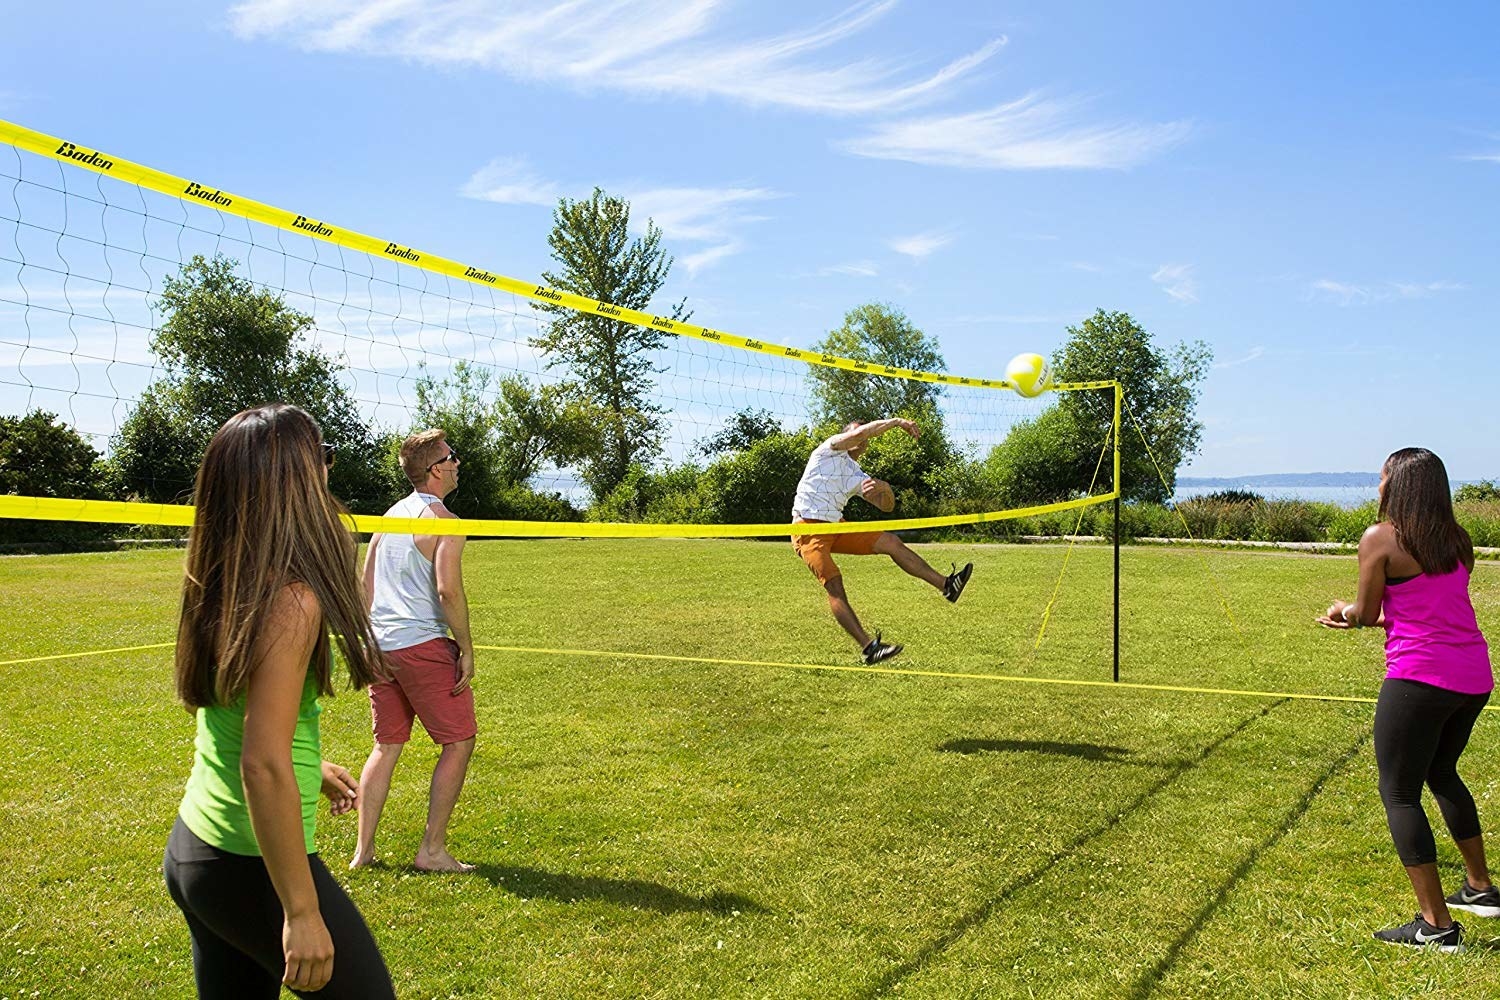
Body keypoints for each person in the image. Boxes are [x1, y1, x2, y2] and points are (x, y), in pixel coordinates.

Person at [163, 403, 395, 998]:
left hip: (197, 850)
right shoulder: (290, 598)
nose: (328, 471)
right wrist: (301, 911)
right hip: (248, 865)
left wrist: (306, 763)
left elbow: (237, 717)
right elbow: (261, 765)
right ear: (294, 477)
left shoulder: (225, 572)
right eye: (322, 456)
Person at [1318, 447, 1494, 953]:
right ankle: (1480, 888)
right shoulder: (1458, 541)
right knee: (1442, 772)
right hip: (1473, 677)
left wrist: (1343, 612)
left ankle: (1435, 926)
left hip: (1421, 678)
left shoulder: (1380, 539)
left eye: (1381, 479)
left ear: (1398, 486)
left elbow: (1367, 609)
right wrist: (1360, 614)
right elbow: (1418, 611)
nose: (1377, 487)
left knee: (1399, 792)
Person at [351, 429, 477, 873]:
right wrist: (465, 646)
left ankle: (363, 853)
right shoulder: (446, 522)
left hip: (380, 645)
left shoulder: (390, 517)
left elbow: (364, 587)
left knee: (386, 746)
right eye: (452, 456)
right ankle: (432, 851)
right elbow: (447, 590)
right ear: (437, 469)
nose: (458, 462)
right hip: (420, 645)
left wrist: (366, 642)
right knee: (459, 742)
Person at [791, 417, 973, 664]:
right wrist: (898, 422)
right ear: (844, 437)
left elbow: (885, 507)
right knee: (834, 584)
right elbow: (862, 432)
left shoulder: (857, 473)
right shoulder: (828, 450)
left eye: (863, 439)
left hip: (836, 525)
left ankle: (947, 586)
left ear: (865, 446)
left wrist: (885, 488)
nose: (860, 439)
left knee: (891, 542)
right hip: (808, 528)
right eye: (856, 435)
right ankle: (869, 648)